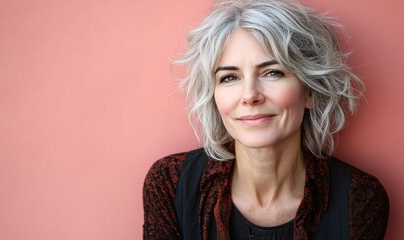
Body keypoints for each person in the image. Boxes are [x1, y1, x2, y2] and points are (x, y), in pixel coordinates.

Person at [143, 0, 389, 239]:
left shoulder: (359, 198)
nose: (250, 95)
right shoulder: (170, 183)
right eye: (229, 77)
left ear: (311, 91)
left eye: (273, 72)